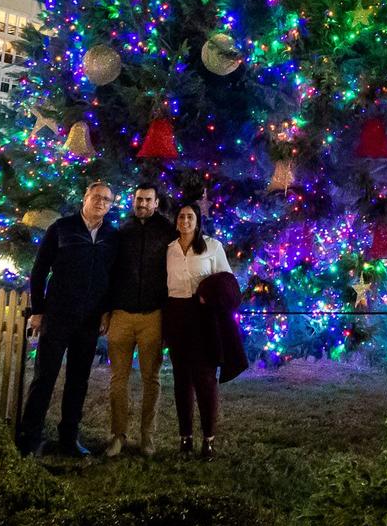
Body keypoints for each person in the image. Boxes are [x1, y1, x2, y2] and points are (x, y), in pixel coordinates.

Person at [17, 181, 119, 458]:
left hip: (89, 320)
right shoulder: (61, 229)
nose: (101, 203)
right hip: (58, 314)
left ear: (111, 206)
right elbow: (39, 271)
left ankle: (69, 438)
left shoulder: (112, 236)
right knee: (45, 377)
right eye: (96, 197)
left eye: (107, 200)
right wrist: (38, 310)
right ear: (85, 197)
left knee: (78, 380)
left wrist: (106, 311)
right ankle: (30, 437)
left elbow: (112, 278)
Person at [104, 182, 176, 457]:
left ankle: (148, 436)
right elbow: (111, 271)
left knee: (151, 379)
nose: (143, 204)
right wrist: (107, 310)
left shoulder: (167, 232)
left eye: (148, 200)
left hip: (152, 316)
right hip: (122, 314)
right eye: (139, 200)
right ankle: (117, 434)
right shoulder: (122, 231)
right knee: (118, 379)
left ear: (157, 203)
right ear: (133, 201)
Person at [163, 203, 233, 458]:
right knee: (181, 379)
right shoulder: (169, 249)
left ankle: (209, 439)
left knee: (205, 379)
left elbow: (227, 281)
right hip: (176, 316)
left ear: (197, 220)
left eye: (190, 216)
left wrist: (207, 295)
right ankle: (185, 438)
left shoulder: (212, 246)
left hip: (203, 317)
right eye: (180, 216)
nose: (184, 220)